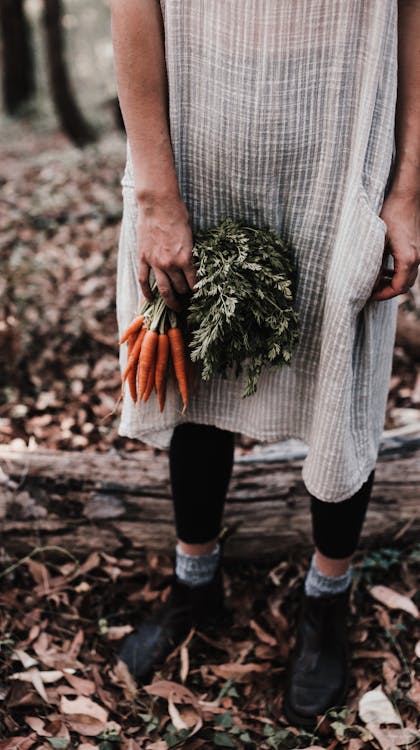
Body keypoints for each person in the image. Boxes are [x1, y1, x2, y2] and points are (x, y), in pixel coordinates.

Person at [110, 0, 419, 727]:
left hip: (345, 163)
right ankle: (196, 585)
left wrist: (409, 190)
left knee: (343, 377)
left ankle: (326, 600)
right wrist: (156, 195)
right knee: (195, 361)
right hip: (193, 151)